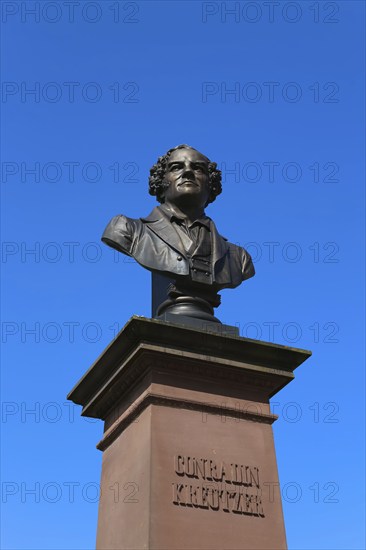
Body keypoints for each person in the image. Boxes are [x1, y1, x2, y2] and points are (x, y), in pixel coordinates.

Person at [102, 144, 255, 322]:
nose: (188, 172)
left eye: (198, 168)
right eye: (176, 167)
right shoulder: (127, 229)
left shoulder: (239, 257)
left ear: (211, 183)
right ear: (161, 181)